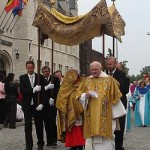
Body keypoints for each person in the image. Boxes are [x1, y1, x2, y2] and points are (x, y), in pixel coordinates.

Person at [75, 61, 126, 150]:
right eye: (92, 70)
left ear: (101, 69)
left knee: (105, 143)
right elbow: (79, 95)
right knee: (90, 141)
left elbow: (116, 96)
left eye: (96, 69)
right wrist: (85, 95)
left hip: (105, 115)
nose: (94, 71)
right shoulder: (87, 80)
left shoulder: (109, 80)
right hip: (90, 116)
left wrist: (115, 114)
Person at [56, 69, 85, 150]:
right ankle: (74, 145)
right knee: (72, 129)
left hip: (80, 113)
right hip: (69, 113)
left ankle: (80, 144)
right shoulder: (65, 86)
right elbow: (60, 99)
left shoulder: (82, 85)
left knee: (79, 129)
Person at [19, 61, 46, 150]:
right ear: (26, 68)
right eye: (28, 68)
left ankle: (40, 144)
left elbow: (43, 92)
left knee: (39, 125)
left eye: (31, 68)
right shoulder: (22, 78)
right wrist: (33, 90)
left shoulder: (40, 77)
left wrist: (42, 103)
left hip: (37, 105)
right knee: (28, 125)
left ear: (34, 67)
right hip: (27, 105)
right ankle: (28, 145)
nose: (30, 69)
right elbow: (22, 90)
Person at [106, 57, 129, 150]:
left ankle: (118, 145)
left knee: (119, 126)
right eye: (107, 64)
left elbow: (125, 90)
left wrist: (112, 82)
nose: (108, 66)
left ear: (115, 64)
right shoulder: (103, 74)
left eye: (110, 64)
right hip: (106, 105)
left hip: (118, 104)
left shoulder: (122, 75)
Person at [41, 66, 60, 147]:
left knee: (52, 122)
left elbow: (58, 90)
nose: (46, 73)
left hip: (52, 104)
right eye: (44, 71)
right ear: (42, 72)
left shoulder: (54, 79)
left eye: (47, 71)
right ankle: (49, 140)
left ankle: (54, 140)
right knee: (46, 122)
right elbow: (40, 90)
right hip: (44, 104)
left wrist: (53, 97)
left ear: (49, 71)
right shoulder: (40, 79)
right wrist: (46, 88)